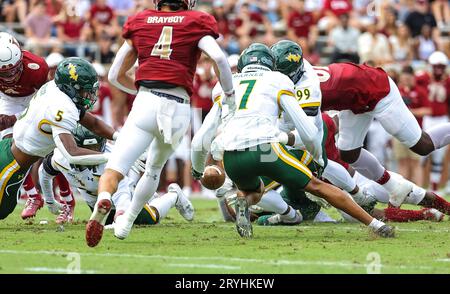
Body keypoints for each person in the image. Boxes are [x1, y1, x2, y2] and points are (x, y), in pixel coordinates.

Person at [192, 43, 394, 238]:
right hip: (265, 149)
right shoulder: (277, 80)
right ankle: (376, 225)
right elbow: (306, 130)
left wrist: (197, 169)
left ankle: (244, 200)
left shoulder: (225, 85)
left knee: (255, 190)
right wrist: (317, 156)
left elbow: (201, 137)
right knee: (318, 186)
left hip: (232, 158)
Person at [87, 0, 235, 247]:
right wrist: (229, 95)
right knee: (153, 169)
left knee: (115, 168)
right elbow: (219, 58)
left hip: (146, 100)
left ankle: (104, 198)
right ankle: (127, 222)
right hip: (177, 105)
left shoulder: (141, 20)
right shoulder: (196, 20)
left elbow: (114, 74)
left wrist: (138, 91)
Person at [0, 57, 117, 220]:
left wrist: (122, 139)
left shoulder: (55, 88)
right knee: (2, 210)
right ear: (71, 87)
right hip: (11, 164)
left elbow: (95, 124)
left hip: (13, 153)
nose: (89, 94)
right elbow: (72, 153)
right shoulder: (61, 106)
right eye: (84, 89)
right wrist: (117, 158)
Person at [39, 124, 193, 226]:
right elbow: (44, 173)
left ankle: (174, 196)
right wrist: (51, 201)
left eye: (97, 146)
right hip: (99, 203)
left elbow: (123, 191)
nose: (95, 151)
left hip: (123, 195)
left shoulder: (111, 163)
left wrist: (121, 214)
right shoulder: (61, 158)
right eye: (90, 148)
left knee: (148, 219)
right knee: (106, 223)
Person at [0, 32, 50, 220]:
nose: (11, 76)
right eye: (4, 73)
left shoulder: (37, 67)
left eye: (13, 70)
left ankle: (63, 199)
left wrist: (14, 118)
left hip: (34, 99)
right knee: (8, 146)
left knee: (39, 147)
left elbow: (46, 102)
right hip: (7, 100)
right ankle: (32, 195)